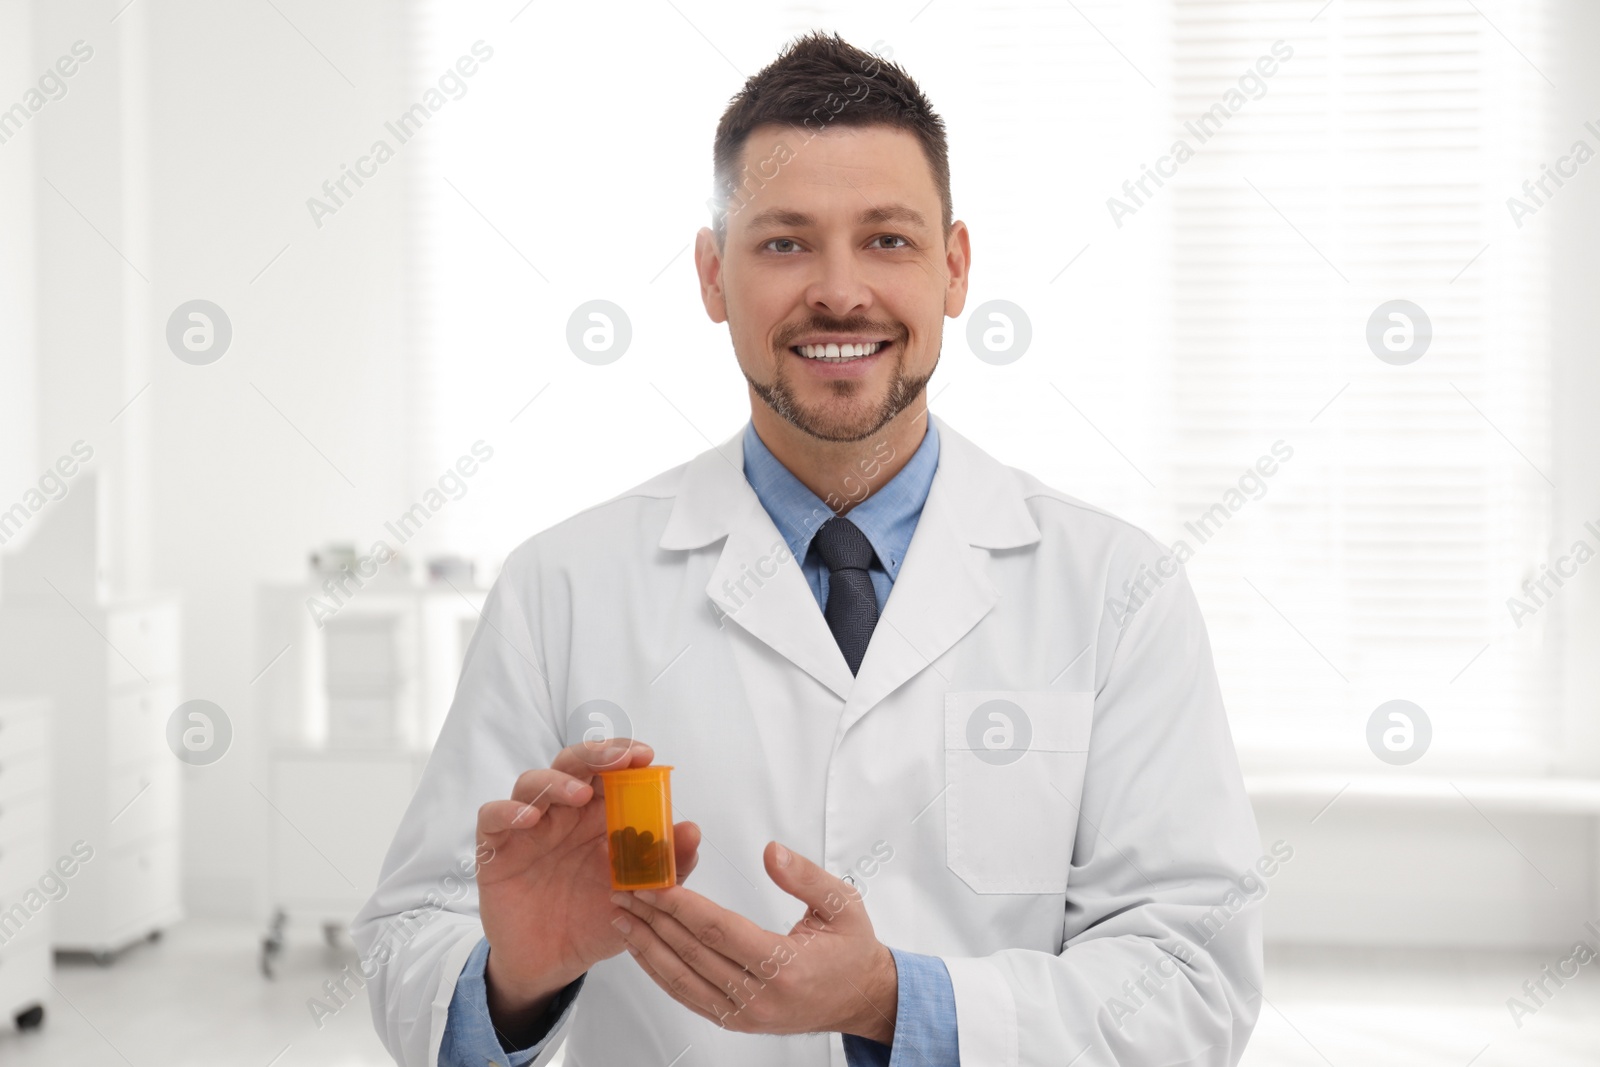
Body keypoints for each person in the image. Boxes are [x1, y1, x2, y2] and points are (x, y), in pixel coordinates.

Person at [354, 31, 1263, 1067]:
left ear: (954, 268)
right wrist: (514, 980)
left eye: (887, 239)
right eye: (785, 242)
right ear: (711, 274)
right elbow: (407, 938)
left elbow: (1191, 979)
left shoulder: (1115, 589)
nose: (840, 291)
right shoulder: (560, 587)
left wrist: (893, 1001)